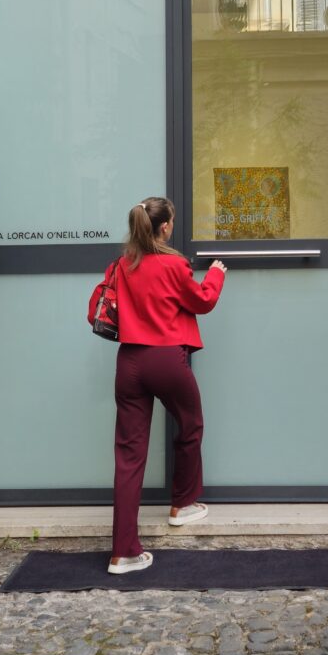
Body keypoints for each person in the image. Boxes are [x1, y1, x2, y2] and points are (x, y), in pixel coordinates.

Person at [89, 196, 226, 574]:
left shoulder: (122, 265)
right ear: (164, 227)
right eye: (172, 222)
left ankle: (123, 553)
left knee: (129, 457)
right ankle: (182, 504)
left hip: (129, 363)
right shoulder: (173, 265)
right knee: (191, 424)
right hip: (166, 360)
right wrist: (216, 274)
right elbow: (202, 301)